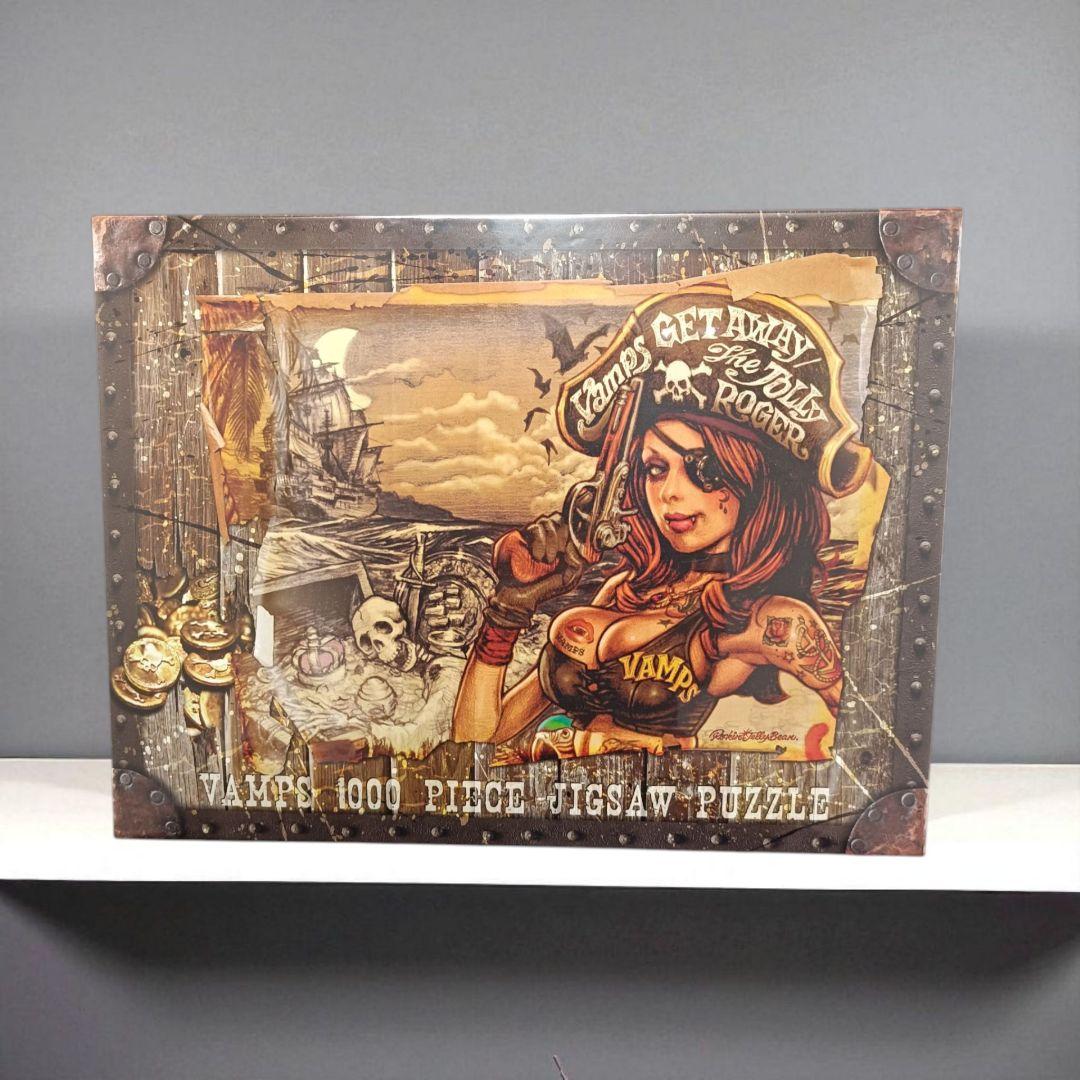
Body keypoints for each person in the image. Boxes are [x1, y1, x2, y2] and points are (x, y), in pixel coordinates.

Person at [451, 413, 844, 759]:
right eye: (656, 469)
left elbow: (862, 736)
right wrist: (509, 608)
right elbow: (476, 741)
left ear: (752, 476)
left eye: (702, 469)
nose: (669, 492)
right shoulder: (624, 590)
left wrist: (667, 747)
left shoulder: (773, 621)